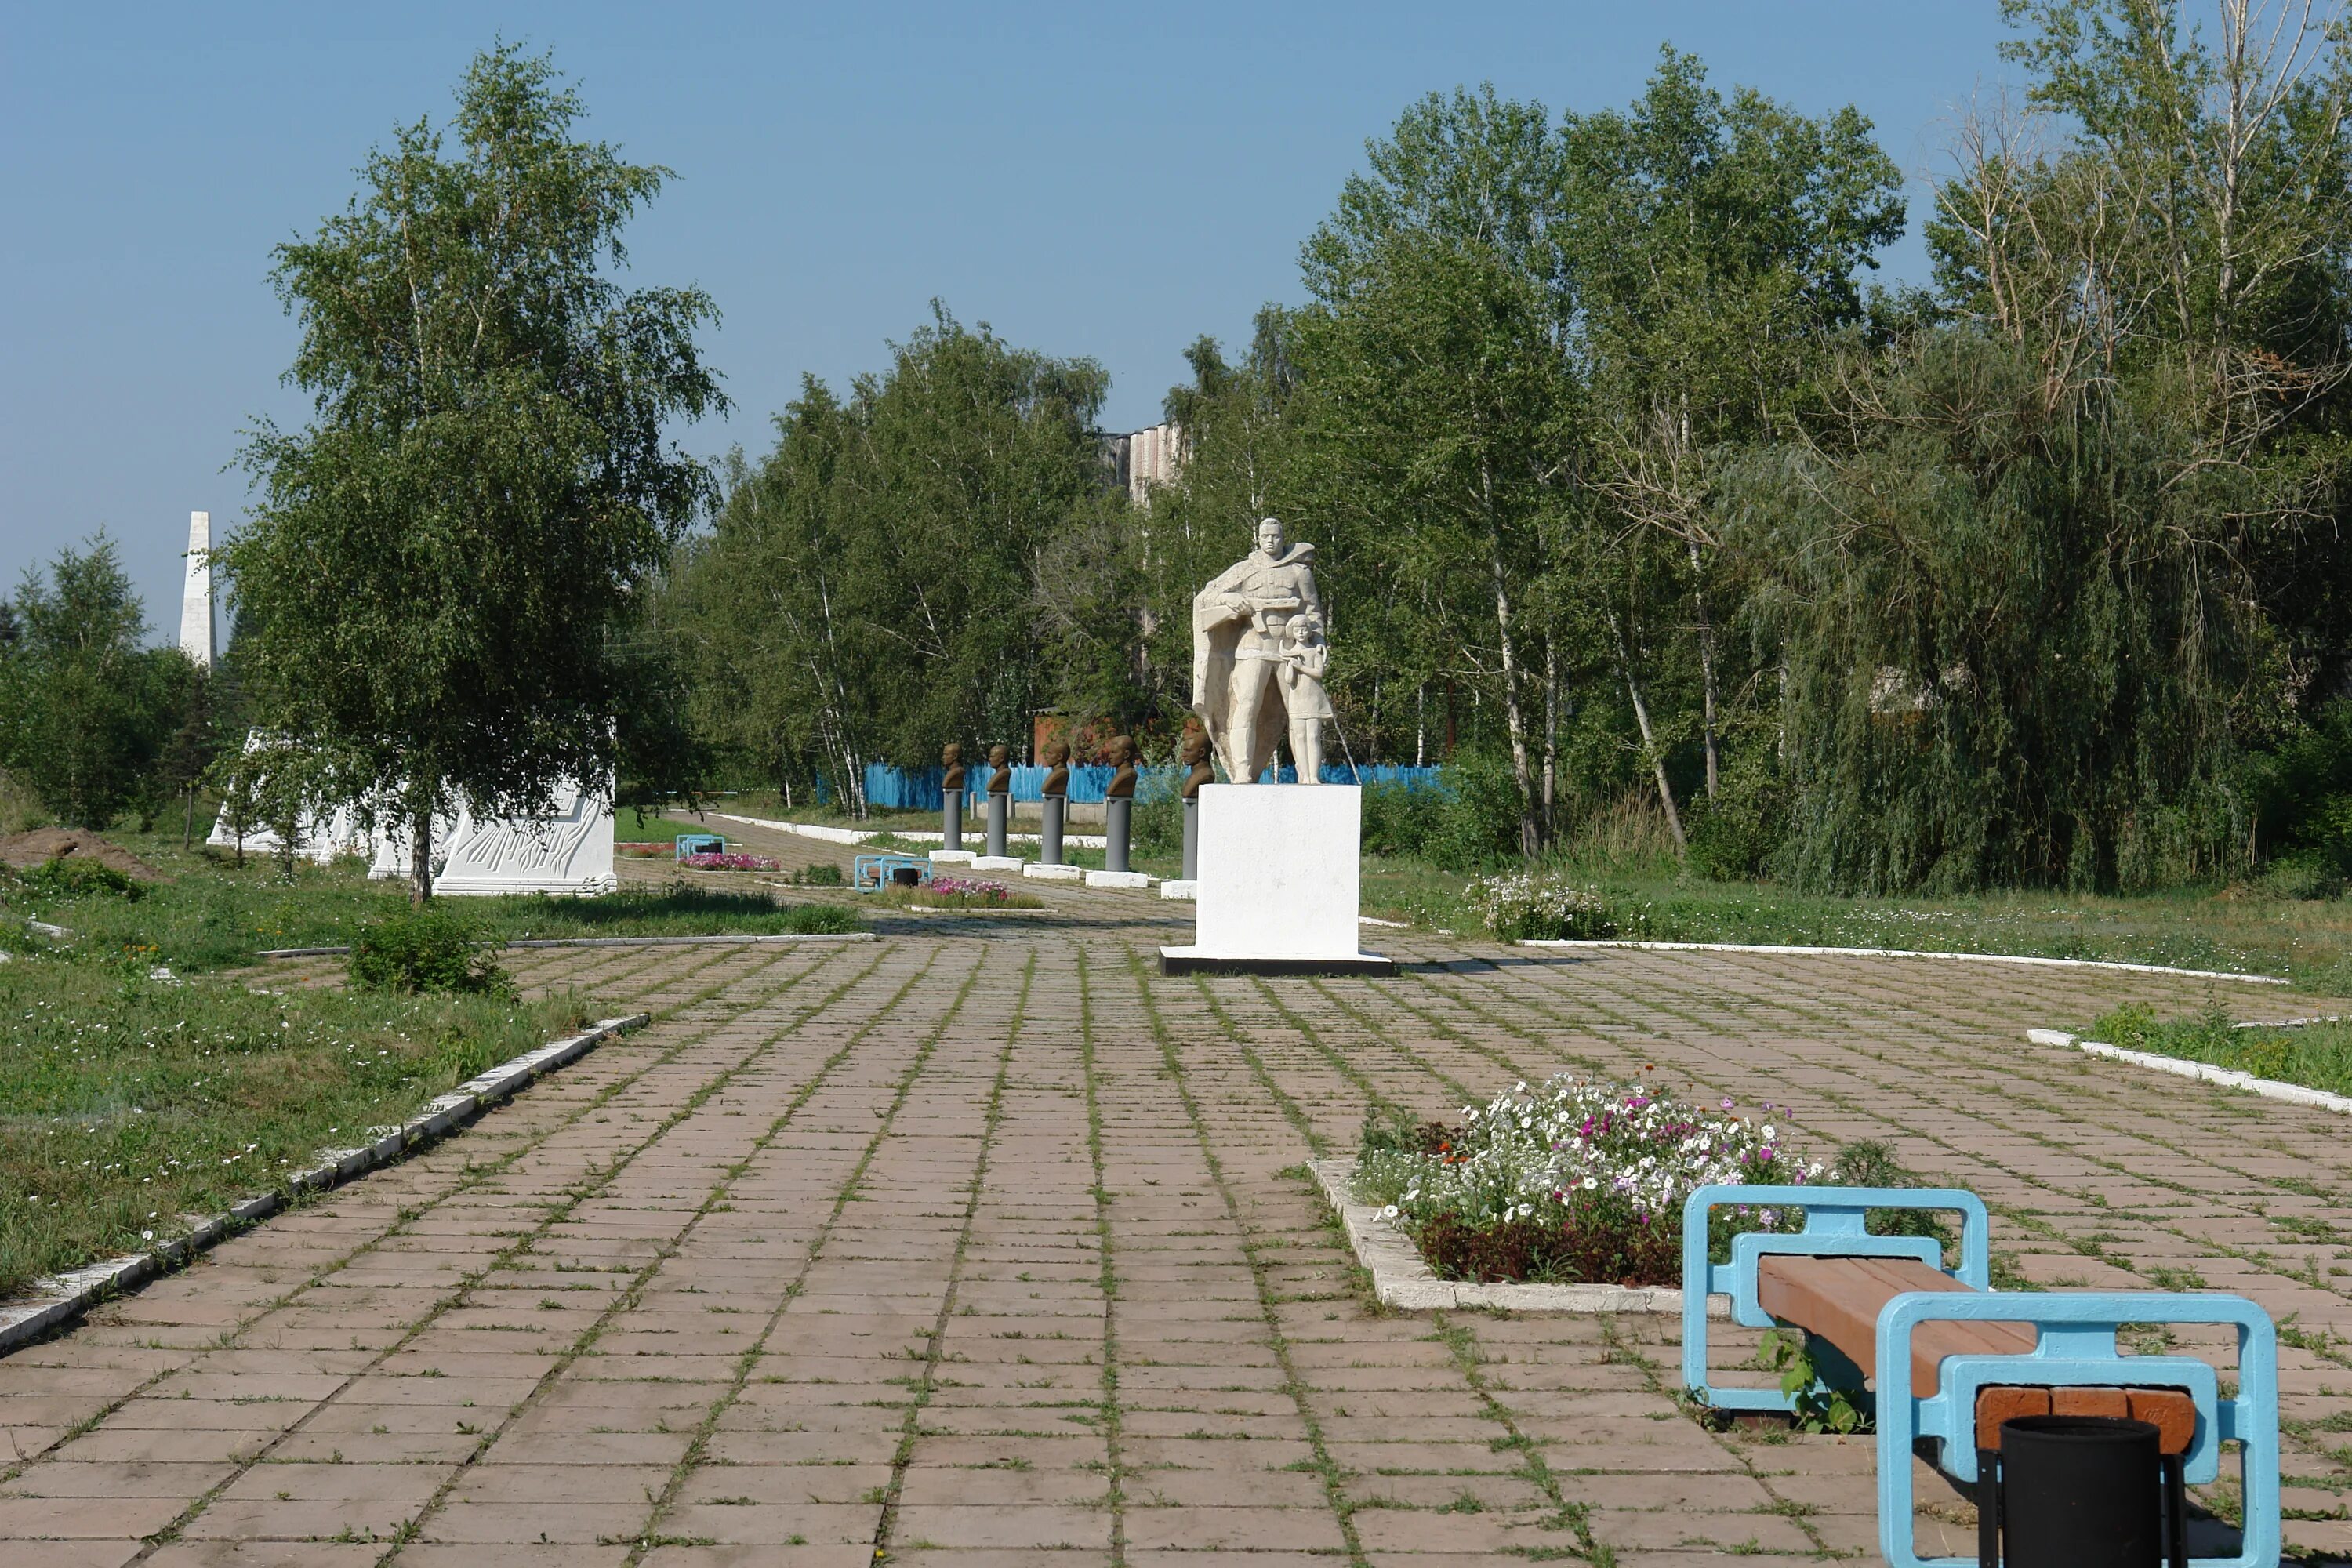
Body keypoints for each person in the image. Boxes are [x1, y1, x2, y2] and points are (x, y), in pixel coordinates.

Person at [1191, 517, 1321, 782]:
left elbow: (1313, 612)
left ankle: (1307, 775)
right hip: (1252, 646)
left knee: (1299, 712)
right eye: (1265, 536)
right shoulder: (1244, 570)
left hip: (1290, 650)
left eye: (1276, 536)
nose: (1271, 541)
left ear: (1283, 538)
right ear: (1259, 539)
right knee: (1246, 706)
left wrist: (1317, 646)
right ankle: (1243, 770)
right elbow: (1207, 596)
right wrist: (1230, 598)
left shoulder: (1299, 572)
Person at [1277, 612, 1333, 783]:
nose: (1301, 632)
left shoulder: (1314, 652)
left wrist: (1300, 666)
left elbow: (1319, 672)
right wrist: (1291, 666)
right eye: (1297, 629)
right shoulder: (1291, 654)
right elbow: (1289, 680)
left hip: (1314, 698)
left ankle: (1314, 776)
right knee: (1300, 737)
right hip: (1298, 699)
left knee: (1313, 737)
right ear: (1292, 632)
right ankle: (1305, 776)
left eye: (1304, 628)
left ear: (1309, 631)